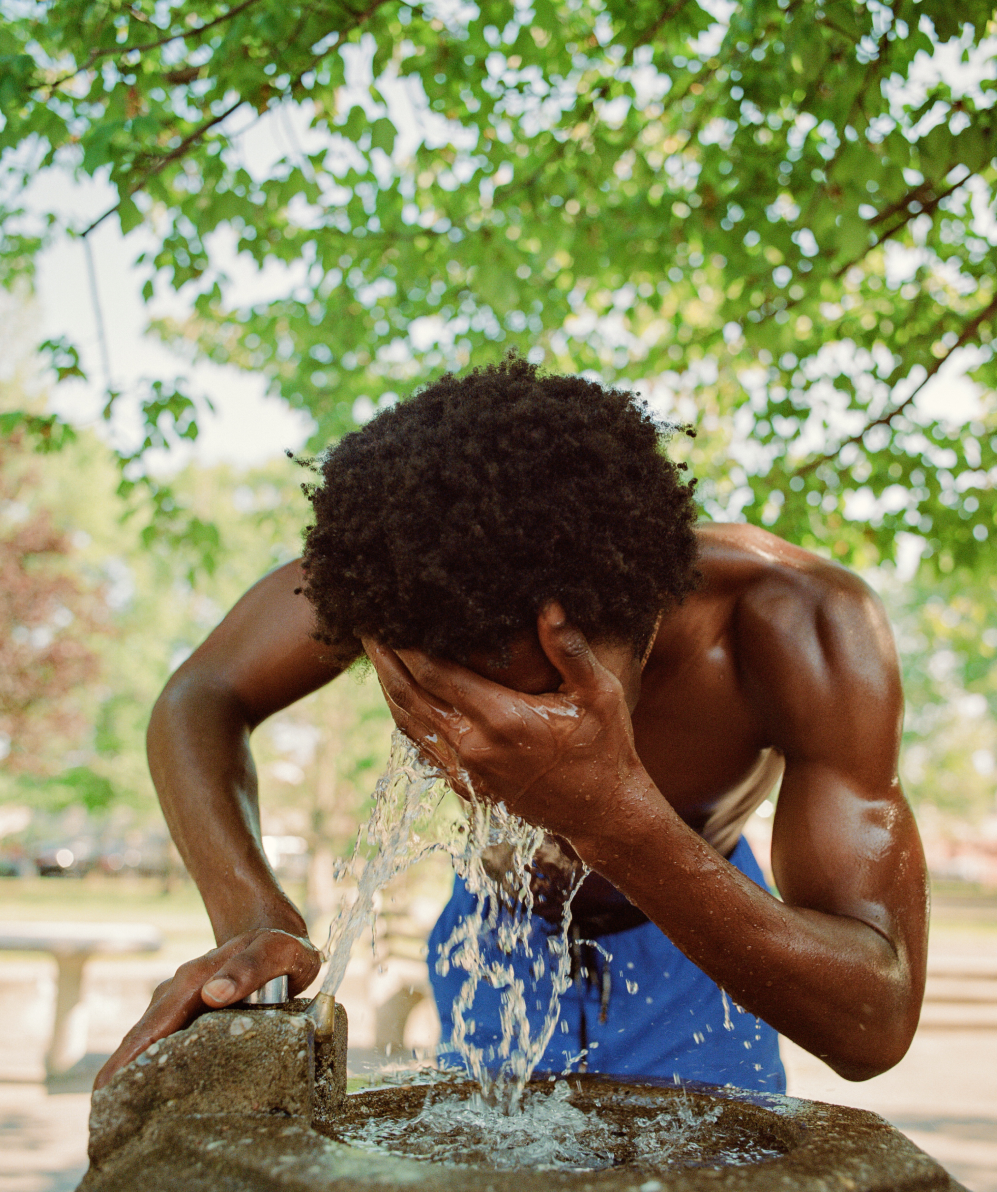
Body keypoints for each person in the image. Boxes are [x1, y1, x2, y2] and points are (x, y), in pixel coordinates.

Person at [96, 356, 928, 1093]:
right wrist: (254, 915)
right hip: (496, 933)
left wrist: (609, 811)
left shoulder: (797, 625)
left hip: (710, 953)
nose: (500, 751)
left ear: (646, 621)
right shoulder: (404, 568)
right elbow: (198, 694)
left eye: (549, 706)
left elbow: (875, 1021)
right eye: (451, 712)